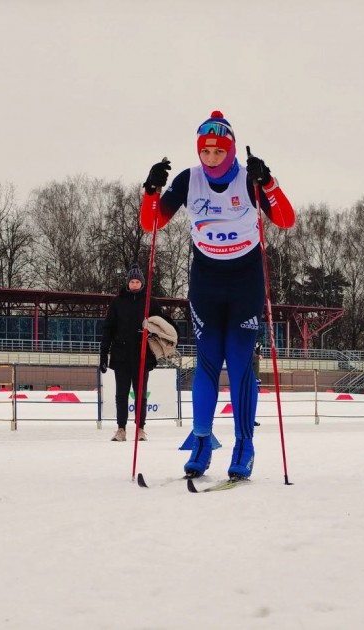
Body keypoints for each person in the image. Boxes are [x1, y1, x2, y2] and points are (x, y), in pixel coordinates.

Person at [139, 110, 296, 479]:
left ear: (231, 150)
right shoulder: (189, 180)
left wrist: (269, 183)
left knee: (239, 363)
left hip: (245, 281)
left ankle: (244, 445)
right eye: (205, 151)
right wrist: (149, 192)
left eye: (218, 152)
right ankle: (202, 441)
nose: (211, 158)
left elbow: (285, 220)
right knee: (208, 363)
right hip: (206, 281)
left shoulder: (249, 180)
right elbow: (152, 223)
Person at [99, 264, 170, 442]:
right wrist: (103, 354)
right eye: (132, 281)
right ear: (127, 283)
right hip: (121, 354)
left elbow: (162, 326)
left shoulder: (150, 302)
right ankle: (121, 428)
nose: (135, 284)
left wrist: (153, 337)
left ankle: (140, 428)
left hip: (142, 355)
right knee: (121, 394)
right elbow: (108, 328)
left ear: (142, 283)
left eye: (138, 281)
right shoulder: (117, 302)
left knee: (140, 394)